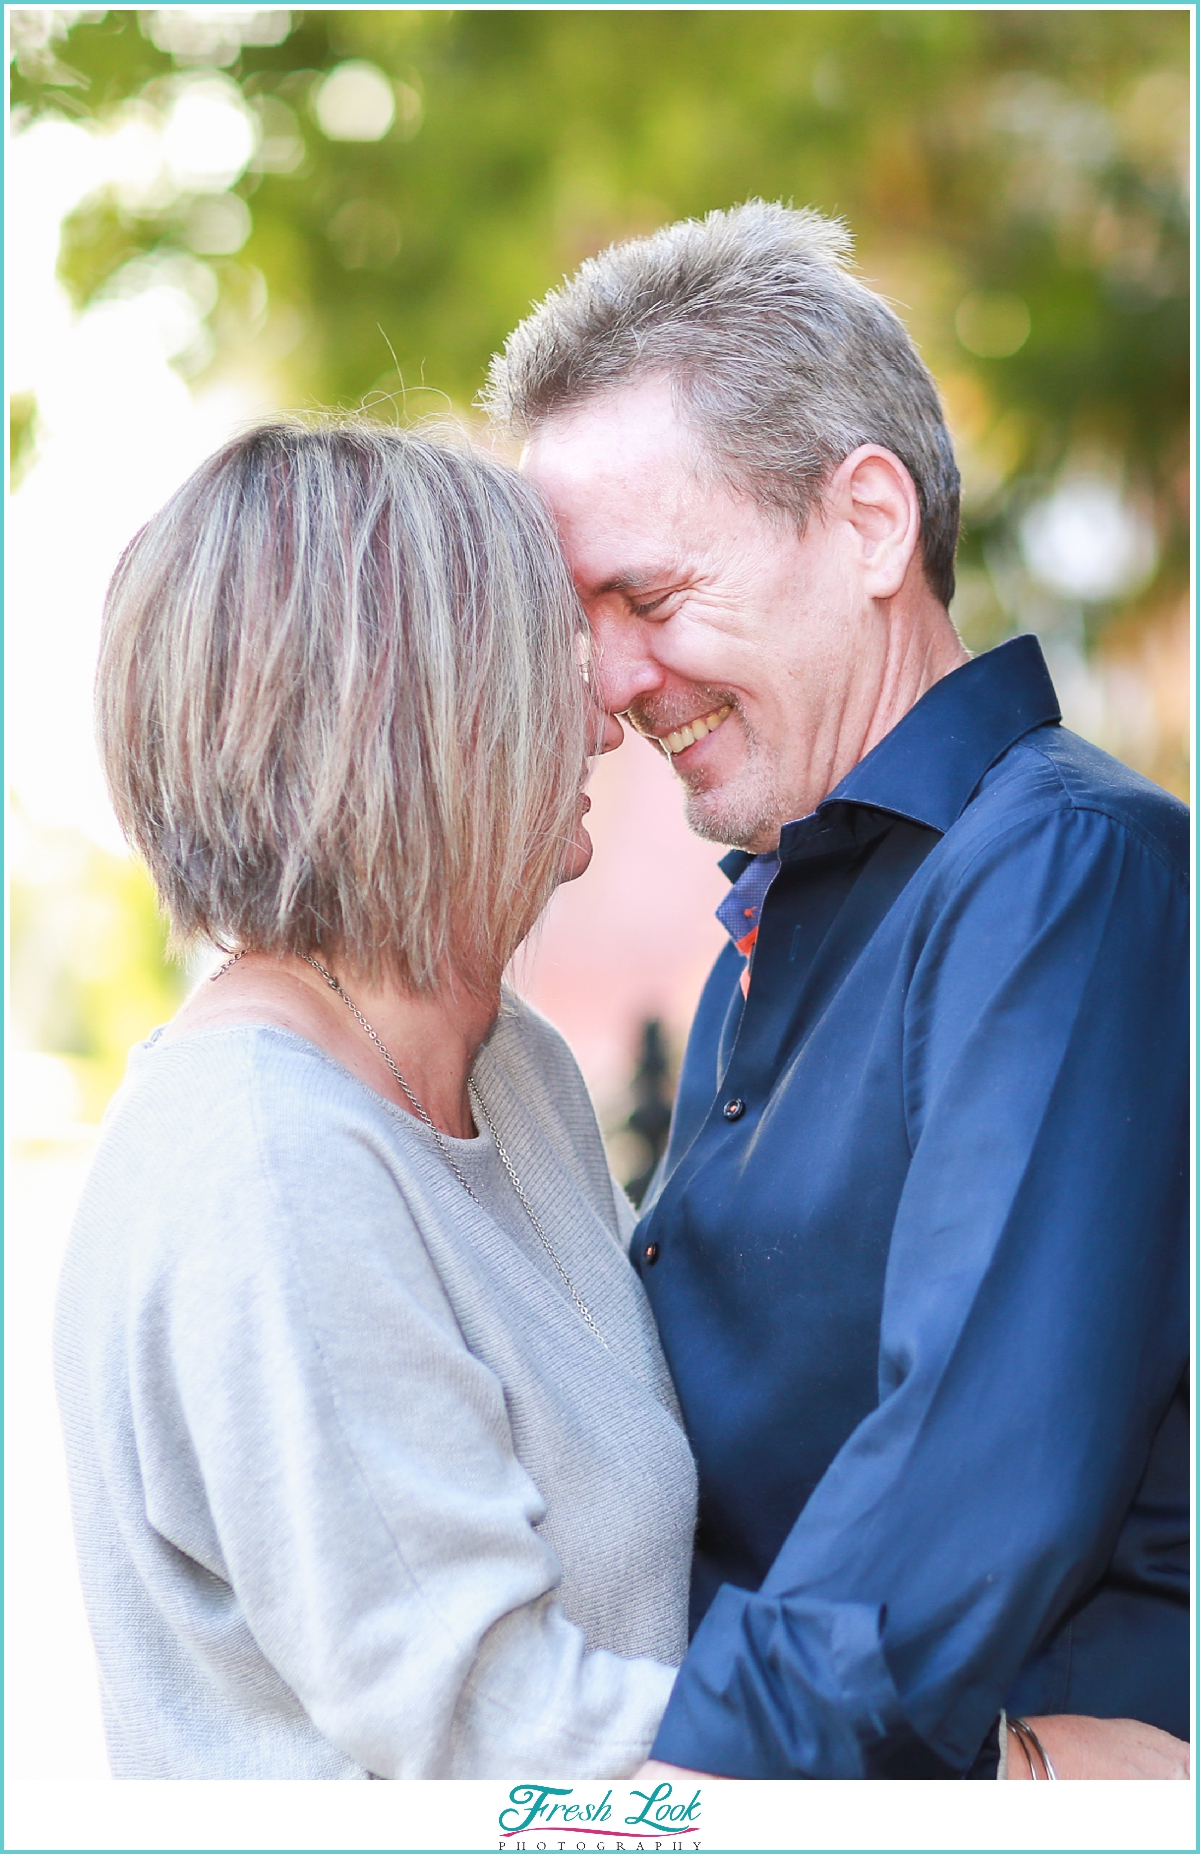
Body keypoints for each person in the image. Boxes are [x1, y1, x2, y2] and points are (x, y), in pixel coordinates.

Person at [487, 200, 1191, 1780]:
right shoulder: (795, 905)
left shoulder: (1063, 873)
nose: (608, 686)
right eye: (583, 621)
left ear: (871, 521)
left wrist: (663, 1811)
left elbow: (974, 1469)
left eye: (650, 601)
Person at [55, 419, 699, 1778]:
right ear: (422, 724)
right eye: (550, 666)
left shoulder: (505, 1066)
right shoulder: (271, 1171)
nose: (603, 718)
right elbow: (523, 1775)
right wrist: (995, 1778)